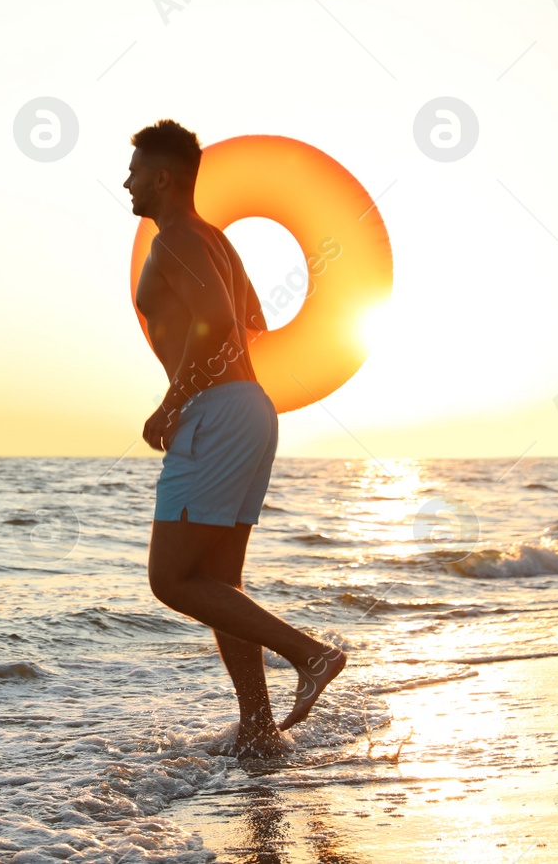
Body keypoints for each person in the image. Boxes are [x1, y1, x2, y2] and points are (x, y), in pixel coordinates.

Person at [124, 119, 344, 756]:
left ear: (163, 179)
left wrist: (174, 401)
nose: (127, 181)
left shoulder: (174, 243)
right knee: (219, 582)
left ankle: (309, 655)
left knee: (170, 580)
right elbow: (254, 321)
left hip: (216, 414)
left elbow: (220, 319)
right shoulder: (215, 241)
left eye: (136, 170)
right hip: (249, 408)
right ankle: (258, 729)